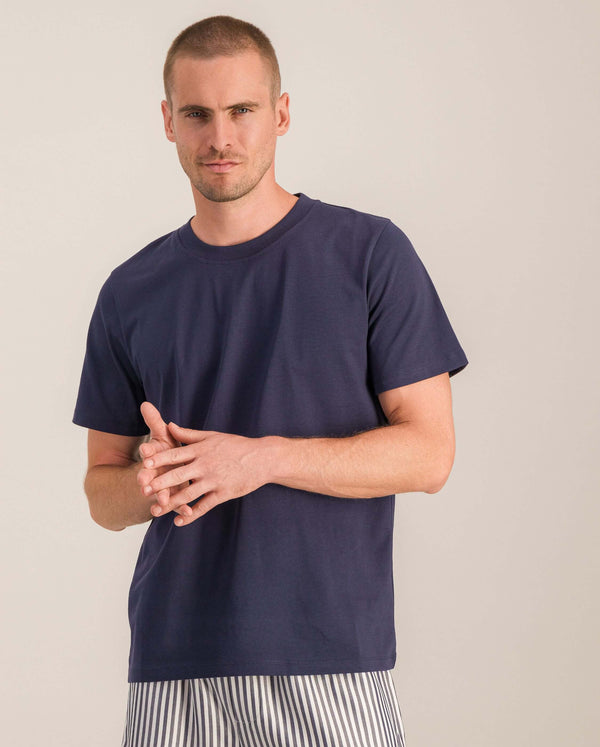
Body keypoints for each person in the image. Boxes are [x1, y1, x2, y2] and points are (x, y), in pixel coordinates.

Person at [72, 14, 467, 747]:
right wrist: (152, 482)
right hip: (173, 663)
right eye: (197, 114)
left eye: (242, 110)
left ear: (281, 114)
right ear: (168, 122)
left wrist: (258, 460)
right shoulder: (130, 291)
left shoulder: (369, 254)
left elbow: (430, 454)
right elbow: (102, 490)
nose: (220, 137)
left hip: (329, 659)